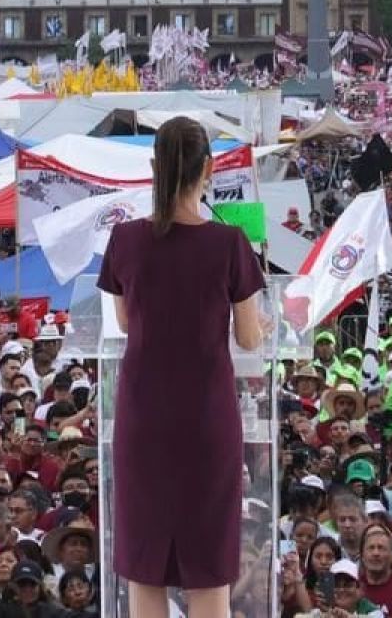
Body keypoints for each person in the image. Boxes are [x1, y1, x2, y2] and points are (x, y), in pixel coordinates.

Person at [95, 117, 266, 618]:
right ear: (208, 169)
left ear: (154, 168)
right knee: (208, 566)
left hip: (144, 420)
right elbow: (249, 337)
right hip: (206, 424)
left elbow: (127, 324)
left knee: (146, 565)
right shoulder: (230, 243)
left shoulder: (125, 241)